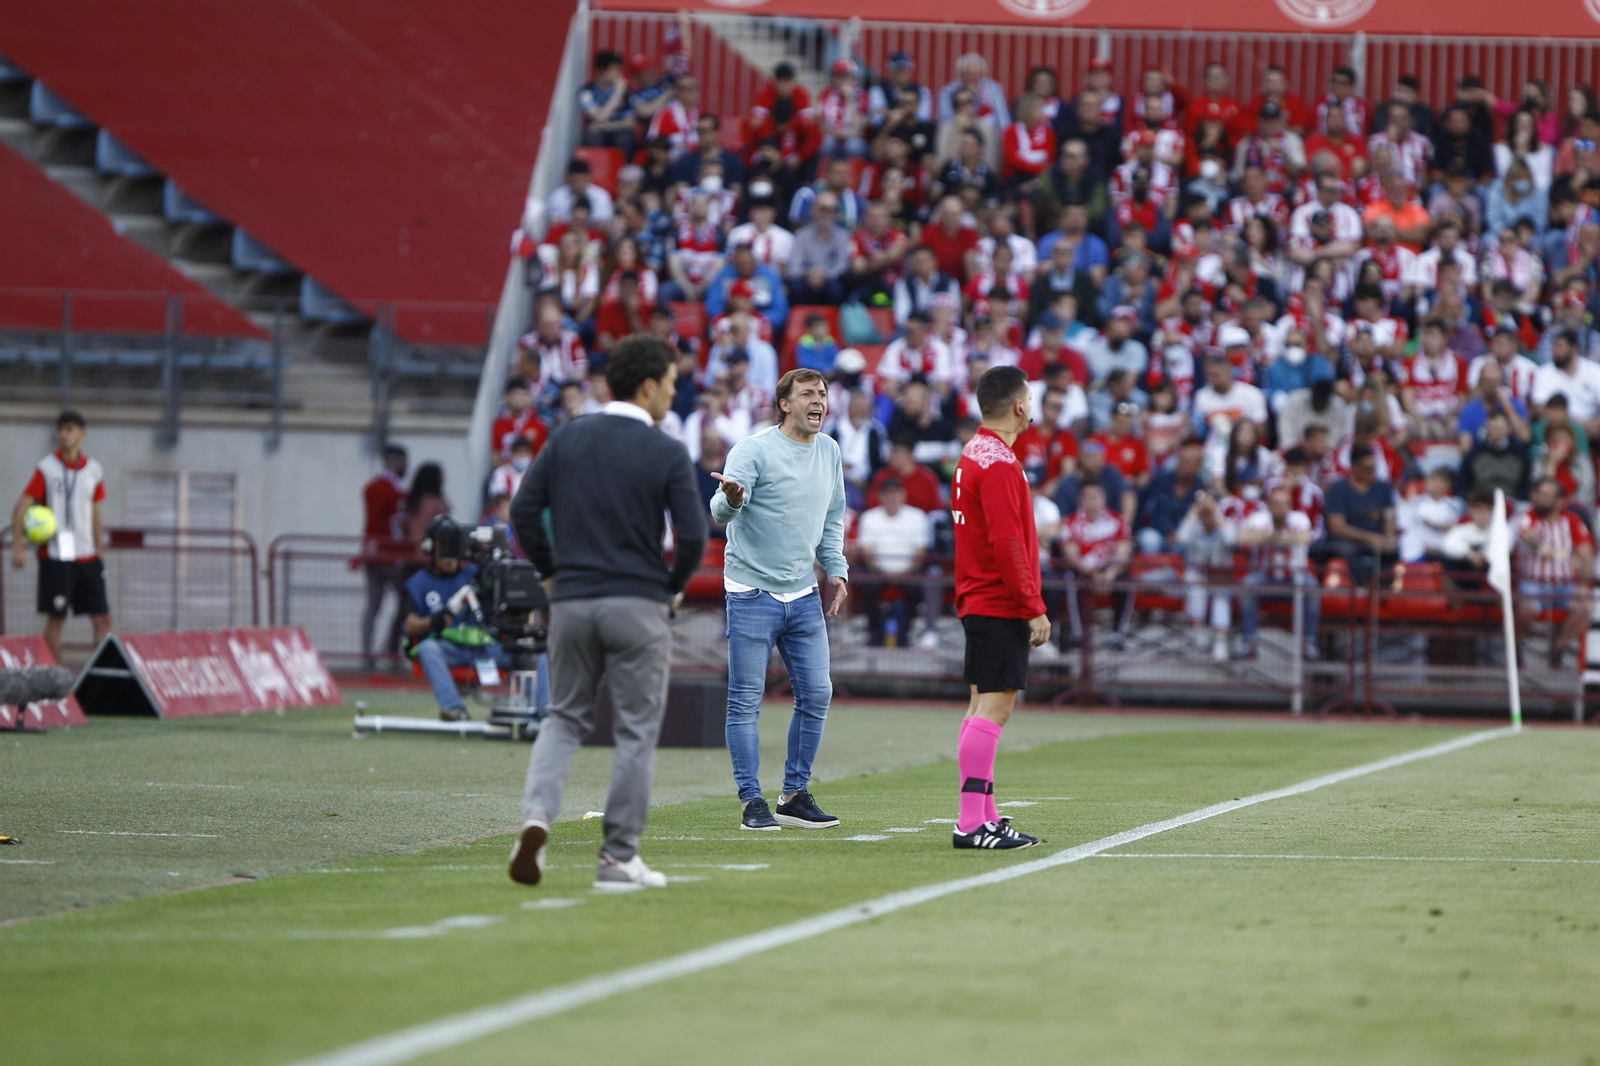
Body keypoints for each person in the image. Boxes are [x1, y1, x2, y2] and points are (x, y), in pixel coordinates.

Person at [509, 335, 708, 892]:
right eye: (670, 384)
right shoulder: (666, 449)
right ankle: (618, 857)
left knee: (563, 717)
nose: (673, 394)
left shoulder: (567, 436)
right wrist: (668, 588)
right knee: (636, 732)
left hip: (570, 601)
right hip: (637, 603)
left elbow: (525, 511)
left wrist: (551, 573)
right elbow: (692, 535)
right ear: (648, 386)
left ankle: (535, 818)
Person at [709, 368, 849, 832]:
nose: (819, 400)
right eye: (808, 393)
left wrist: (837, 570)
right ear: (784, 403)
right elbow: (719, 509)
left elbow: (832, 519)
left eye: (823, 394)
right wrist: (731, 498)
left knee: (818, 693)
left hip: (803, 590)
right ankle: (752, 802)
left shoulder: (829, 451)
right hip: (751, 591)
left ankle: (793, 794)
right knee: (744, 701)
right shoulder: (753, 449)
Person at [949, 364, 1049, 850]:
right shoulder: (1001, 463)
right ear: (1018, 405)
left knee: (979, 706)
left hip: (978, 595)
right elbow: (1008, 542)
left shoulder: (973, 453)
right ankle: (971, 824)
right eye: (1029, 396)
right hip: (998, 600)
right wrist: (1033, 605)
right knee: (995, 708)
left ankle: (984, 815)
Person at [10, 410, 111, 662]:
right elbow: (21, 507)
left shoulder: (94, 470)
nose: (64, 434)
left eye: (70, 429)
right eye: (60, 429)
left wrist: (100, 546)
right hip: (56, 555)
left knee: (103, 618)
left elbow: (96, 509)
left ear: (81, 434)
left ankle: (97, 676)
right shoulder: (47, 468)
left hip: (87, 555)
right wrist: (18, 547)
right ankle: (56, 679)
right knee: (57, 617)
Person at [400, 516, 510, 723]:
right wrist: (435, 621)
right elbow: (410, 625)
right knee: (427, 649)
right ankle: (453, 708)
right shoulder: (418, 583)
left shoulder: (479, 574)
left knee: (530, 650)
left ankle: (542, 710)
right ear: (431, 547)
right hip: (451, 650)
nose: (450, 559)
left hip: (486, 649)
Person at [1514, 477, 1594, 668]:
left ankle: (1559, 647)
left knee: (1587, 606)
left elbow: (1586, 552)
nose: (1540, 498)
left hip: (1565, 584)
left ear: (1560, 501)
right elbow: (1527, 534)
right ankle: (1516, 644)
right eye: (1539, 493)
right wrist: (1541, 546)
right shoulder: (1529, 515)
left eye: (1547, 495)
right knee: (1526, 608)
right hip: (1534, 582)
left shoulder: (1572, 521)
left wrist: (1584, 582)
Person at [1237, 483, 1320, 661]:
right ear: (1268, 505)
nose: (1279, 508)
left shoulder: (1299, 518)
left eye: (1283, 504)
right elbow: (1243, 537)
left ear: (1289, 505)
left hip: (1294, 576)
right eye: (1275, 503)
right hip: (1265, 576)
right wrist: (1271, 538)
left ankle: (1310, 643)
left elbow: (1305, 537)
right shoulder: (1259, 519)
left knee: (1313, 587)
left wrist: (1280, 538)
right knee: (1247, 585)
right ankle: (1249, 643)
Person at [852, 478, 933, 646]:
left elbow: (920, 553)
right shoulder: (869, 517)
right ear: (880, 497)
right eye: (887, 494)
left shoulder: (917, 516)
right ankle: (875, 631)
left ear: (903, 495)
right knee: (865, 583)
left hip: (910, 573)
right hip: (877, 572)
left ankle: (906, 632)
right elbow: (867, 554)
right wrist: (885, 574)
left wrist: (905, 573)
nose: (892, 498)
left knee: (920, 585)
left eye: (896, 493)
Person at [1061, 481, 1134, 650]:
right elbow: (1071, 554)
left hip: (1109, 570)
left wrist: (1111, 573)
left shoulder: (1118, 521)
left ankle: (1118, 636)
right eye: (1089, 497)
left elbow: (1123, 551)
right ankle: (1078, 636)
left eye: (1097, 496)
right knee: (1070, 579)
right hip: (1082, 569)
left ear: (1104, 498)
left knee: (1127, 580)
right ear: (1081, 500)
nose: (1093, 501)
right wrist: (1091, 573)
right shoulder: (1070, 522)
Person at [360, 444, 409, 671]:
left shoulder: (379, 487)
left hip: (379, 552)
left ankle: (373, 652)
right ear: (394, 461)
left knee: (376, 605)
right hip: (387, 554)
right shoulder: (383, 489)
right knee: (393, 603)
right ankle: (385, 650)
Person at [1324, 443, 1397, 586]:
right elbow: (1337, 527)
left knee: (1394, 551)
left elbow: (1389, 516)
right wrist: (1371, 539)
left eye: (1374, 468)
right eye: (1368, 469)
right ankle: (1361, 588)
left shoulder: (1383, 488)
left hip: (1377, 541)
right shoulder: (1338, 490)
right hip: (1350, 541)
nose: (1373, 472)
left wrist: (1388, 538)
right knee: (1345, 550)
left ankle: (1386, 591)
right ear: (1355, 468)